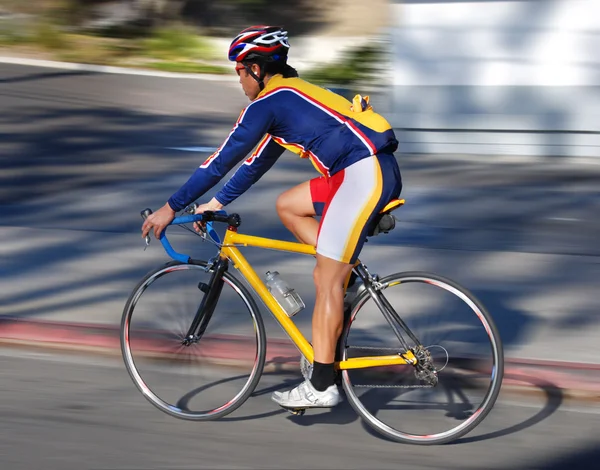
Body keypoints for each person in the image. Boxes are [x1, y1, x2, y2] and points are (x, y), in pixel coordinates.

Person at [141, 25, 402, 409]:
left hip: (361, 176)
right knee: (288, 205)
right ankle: (346, 275)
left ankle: (321, 384)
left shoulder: (267, 104)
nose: (240, 82)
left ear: (256, 69)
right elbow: (253, 165)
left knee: (325, 280)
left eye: (240, 73)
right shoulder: (291, 98)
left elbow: (220, 161)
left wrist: (170, 207)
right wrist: (215, 203)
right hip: (365, 172)